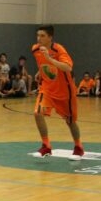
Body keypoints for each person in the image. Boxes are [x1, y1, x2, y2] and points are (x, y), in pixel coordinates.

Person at [31, 25, 83, 159]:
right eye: (38, 35)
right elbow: (42, 63)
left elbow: (68, 68)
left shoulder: (59, 49)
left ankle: (78, 147)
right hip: (47, 88)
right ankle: (46, 145)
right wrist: (40, 72)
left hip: (65, 91)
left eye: (42, 36)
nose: (39, 38)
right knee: (37, 113)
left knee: (70, 121)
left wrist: (49, 58)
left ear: (50, 37)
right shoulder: (35, 49)